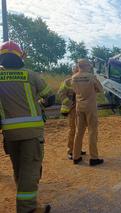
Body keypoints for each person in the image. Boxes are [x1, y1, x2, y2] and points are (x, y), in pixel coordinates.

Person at [0, 41, 54, 213]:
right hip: (31, 134)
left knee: (19, 170)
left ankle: (28, 204)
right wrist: (41, 103)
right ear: (20, 57)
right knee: (30, 172)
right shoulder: (31, 75)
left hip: (10, 134)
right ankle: (28, 209)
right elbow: (50, 98)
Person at [71, 58, 104, 166]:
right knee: (92, 132)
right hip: (90, 107)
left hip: (79, 107)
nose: (90, 67)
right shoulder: (91, 77)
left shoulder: (74, 77)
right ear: (86, 66)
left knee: (79, 132)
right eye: (89, 65)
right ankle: (94, 158)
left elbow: (75, 91)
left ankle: (76, 156)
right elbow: (100, 89)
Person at [57, 65, 86, 160]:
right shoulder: (67, 82)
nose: (78, 72)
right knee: (73, 130)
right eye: (76, 71)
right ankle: (70, 151)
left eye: (79, 71)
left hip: (81, 109)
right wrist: (69, 103)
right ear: (73, 71)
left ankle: (78, 149)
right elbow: (61, 94)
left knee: (80, 130)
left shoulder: (83, 82)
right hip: (72, 109)